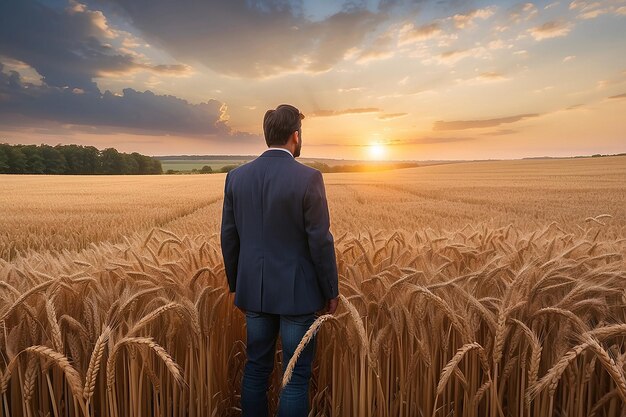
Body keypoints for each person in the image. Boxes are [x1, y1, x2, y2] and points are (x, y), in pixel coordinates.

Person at [220, 104, 339, 417]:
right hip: (298, 296)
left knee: (256, 369)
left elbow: (229, 238)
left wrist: (237, 286)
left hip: (254, 294)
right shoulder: (309, 178)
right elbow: (320, 240)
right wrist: (331, 290)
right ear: (295, 137)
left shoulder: (236, 177)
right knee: (295, 377)